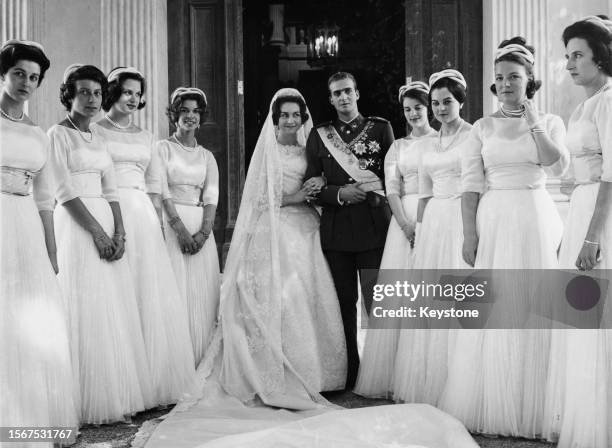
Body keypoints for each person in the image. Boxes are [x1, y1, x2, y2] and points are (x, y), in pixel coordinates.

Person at [142, 89, 478, 448]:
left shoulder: (315, 146)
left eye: (295, 115)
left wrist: (318, 187)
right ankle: (278, 372)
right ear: (275, 119)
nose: (290, 120)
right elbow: (258, 197)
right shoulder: (268, 150)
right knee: (285, 304)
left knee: (318, 302)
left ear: (303, 118)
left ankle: (334, 373)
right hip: (275, 231)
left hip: (311, 230)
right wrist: (304, 195)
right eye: (283, 115)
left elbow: (328, 179)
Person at [441, 37, 568, 438]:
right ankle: (493, 399)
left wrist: (531, 121)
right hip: (494, 216)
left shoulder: (550, 121)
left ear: (530, 80)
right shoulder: (482, 127)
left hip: (534, 214)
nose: (506, 83)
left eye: (514, 77)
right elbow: (470, 185)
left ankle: (538, 403)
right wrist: (468, 233)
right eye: (500, 78)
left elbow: (558, 166)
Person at [48, 64, 153, 424]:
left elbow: (111, 189)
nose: (91, 99)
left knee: (110, 310)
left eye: (96, 93)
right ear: (69, 96)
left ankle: (111, 391)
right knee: (81, 307)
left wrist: (119, 231)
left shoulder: (98, 137)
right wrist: (96, 232)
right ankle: (75, 399)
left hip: (107, 221)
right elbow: (62, 191)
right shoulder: (57, 135)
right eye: (84, 93)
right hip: (76, 224)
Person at [92, 67, 195, 406]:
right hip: (108, 208)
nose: (134, 99)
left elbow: (155, 184)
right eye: (127, 92)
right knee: (113, 293)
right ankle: (117, 381)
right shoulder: (95, 129)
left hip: (141, 212)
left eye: (138, 93)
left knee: (145, 292)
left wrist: (159, 224)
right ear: (112, 93)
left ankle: (150, 381)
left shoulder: (145, 135)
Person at [0, 39, 77, 439]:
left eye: (33, 77)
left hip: (25, 222)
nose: (26, 83)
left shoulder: (37, 135)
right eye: (18, 74)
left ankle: (22, 419)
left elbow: (45, 199)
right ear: (4, 74)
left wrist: (51, 251)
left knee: (23, 318)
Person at [543, 16, 612, 447]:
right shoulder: (583, 105)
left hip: (601, 215)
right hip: (583, 206)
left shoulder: (608, 102)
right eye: (567, 55)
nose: (569, 64)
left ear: (600, 56)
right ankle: (588, 412)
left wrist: (591, 237)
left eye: (578, 55)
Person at [304, 72, 394, 389]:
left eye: (347, 91)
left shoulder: (381, 129)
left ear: (357, 93)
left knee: (378, 303)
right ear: (330, 99)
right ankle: (350, 372)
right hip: (337, 231)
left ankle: (381, 371)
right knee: (343, 305)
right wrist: (340, 193)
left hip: (374, 226)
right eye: (336, 94)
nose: (343, 98)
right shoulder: (319, 135)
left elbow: (392, 179)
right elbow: (312, 185)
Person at [392, 69, 472, 407]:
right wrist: (419, 231)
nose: (440, 108)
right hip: (434, 221)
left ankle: (462, 380)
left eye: (447, 102)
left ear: (460, 102)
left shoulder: (473, 135)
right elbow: (423, 192)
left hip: (461, 217)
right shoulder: (431, 142)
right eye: (436, 103)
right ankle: (433, 378)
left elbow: (475, 184)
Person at [354, 81, 437, 398]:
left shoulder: (441, 140)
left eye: (418, 107)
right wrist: (405, 224)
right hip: (403, 221)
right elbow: (392, 189)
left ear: (428, 108)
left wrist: (428, 222)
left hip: (437, 217)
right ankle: (397, 373)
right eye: (407, 109)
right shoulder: (398, 147)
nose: (413, 114)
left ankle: (430, 372)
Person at [158, 87, 220, 366]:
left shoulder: (207, 156)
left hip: (199, 225)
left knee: (201, 296)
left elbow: (211, 196)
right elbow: (161, 191)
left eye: (196, 112)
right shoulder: (162, 149)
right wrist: (179, 229)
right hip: (171, 224)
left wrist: (204, 233)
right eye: (184, 111)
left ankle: (200, 360)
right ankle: (176, 364)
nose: (191, 117)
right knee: (175, 293)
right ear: (174, 114)